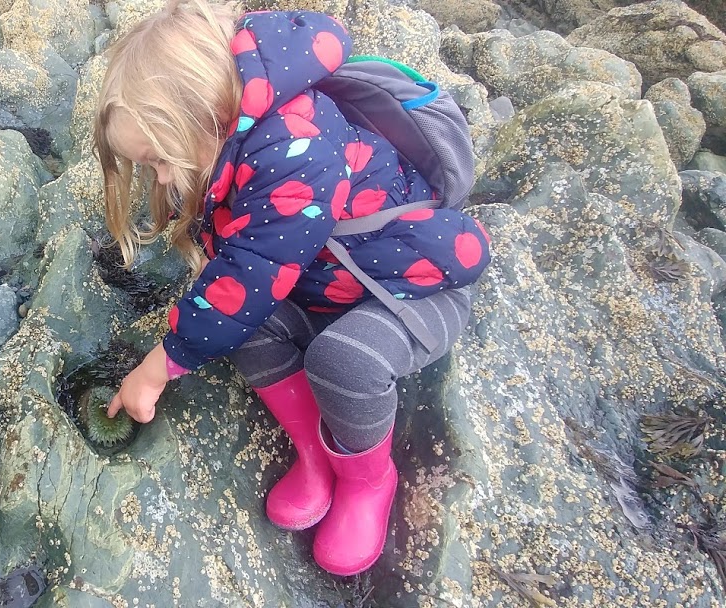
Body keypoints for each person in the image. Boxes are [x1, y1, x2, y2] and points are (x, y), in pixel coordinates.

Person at [93, 0, 491, 576]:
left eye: (160, 160)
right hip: (330, 277)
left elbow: (245, 277)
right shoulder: (236, 128)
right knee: (244, 332)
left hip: (415, 283)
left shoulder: (294, 150)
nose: (160, 179)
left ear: (207, 114)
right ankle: (313, 455)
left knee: (343, 359)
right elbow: (246, 272)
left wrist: (156, 367)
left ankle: (367, 479)